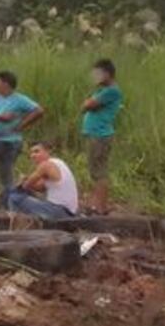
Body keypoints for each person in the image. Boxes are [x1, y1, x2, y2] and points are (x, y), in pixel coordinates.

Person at [0, 70, 45, 209]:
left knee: (5, 174)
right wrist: (0, 117)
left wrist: (22, 125)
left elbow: (38, 110)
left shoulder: (19, 99)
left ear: (6, 84)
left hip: (10, 142)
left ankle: (6, 204)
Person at [81, 58, 124, 214]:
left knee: (99, 172)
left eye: (97, 74)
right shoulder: (101, 90)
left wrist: (88, 104)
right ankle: (96, 204)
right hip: (95, 134)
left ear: (107, 74)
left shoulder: (111, 91)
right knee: (96, 171)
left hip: (100, 135)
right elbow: (86, 105)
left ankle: (99, 207)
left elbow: (87, 105)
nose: (95, 77)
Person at [7, 141, 79, 220]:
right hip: (67, 212)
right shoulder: (57, 163)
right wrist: (26, 181)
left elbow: (26, 185)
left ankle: (17, 224)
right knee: (25, 194)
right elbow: (40, 188)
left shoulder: (45, 165)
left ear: (47, 151)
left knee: (14, 197)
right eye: (31, 153)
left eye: (37, 151)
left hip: (58, 211)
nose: (33, 155)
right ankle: (26, 220)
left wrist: (23, 181)